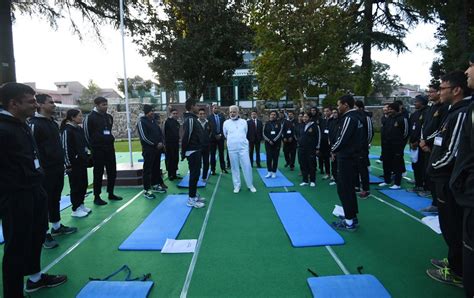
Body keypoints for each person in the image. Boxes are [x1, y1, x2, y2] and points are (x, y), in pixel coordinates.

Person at [0, 83, 67, 297]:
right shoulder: (3, 128)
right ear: (13, 103)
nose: (35, 105)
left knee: (35, 237)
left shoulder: (21, 124)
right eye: (30, 102)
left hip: (35, 191)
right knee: (16, 247)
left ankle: (35, 279)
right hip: (16, 197)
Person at [426, 71, 471, 287]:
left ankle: (458, 271)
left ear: (456, 90)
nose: (439, 92)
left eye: (443, 88)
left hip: (447, 179)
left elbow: (452, 152)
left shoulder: (462, 113)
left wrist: (434, 168)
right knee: (448, 225)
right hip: (442, 177)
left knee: (453, 226)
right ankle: (455, 261)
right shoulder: (452, 111)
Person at [29, 94, 77, 249]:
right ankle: (43, 234)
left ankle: (56, 227)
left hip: (57, 168)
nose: (54, 105)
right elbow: (32, 150)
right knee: (43, 202)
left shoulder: (52, 123)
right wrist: (38, 169)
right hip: (44, 171)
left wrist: (63, 163)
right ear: (41, 105)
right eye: (51, 102)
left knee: (55, 198)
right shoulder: (34, 124)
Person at [449, 53, 474, 297]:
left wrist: (455, 182)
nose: (468, 72)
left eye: (472, 67)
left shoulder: (465, 112)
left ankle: (457, 269)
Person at [331, 95, 363, 231]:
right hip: (352, 157)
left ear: (346, 105)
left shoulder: (349, 118)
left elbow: (342, 138)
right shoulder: (358, 117)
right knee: (348, 189)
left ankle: (349, 222)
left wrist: (332, 150)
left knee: (344, 189)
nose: (338, 107)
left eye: (339, 105)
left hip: (346, 158)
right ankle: (352, 217)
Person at [83, 96, 122, 205]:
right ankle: (97, 196)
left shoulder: (109, 117)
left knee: (112, 171)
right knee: (98, 173)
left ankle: (111, 193)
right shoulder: (89, 117)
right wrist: (92, 149)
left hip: (109, 148)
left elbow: (108, 130)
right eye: (103, 105)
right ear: (96, 105)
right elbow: (86, 134)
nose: (105, 107)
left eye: (106, 104)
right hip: (97, 150)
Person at [419, 83, 448, 212]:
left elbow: (441, 129)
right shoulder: (431, 107)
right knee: (429, 174)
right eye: (428, 91)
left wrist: (426, 141)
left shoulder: (444, 108)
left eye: (432, 91)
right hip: (425, 145)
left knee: (437, 175)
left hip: (434, 147)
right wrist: (422, 139)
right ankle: (434, 201)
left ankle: (437, 204)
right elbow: (424, 126)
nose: (429, 94)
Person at [61, 109, 92, 218]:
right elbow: (65, 148)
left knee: (83, 184)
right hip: (73, 164)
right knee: (75, 186)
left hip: (82, 162)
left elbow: (83, 144)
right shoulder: (67, 130)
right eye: (79, 116)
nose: (81, 117)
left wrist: (87, 154)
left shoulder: (79, 129)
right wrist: (68, 164)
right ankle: (75, 208)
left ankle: (81, 204)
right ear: (72, 117)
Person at [223, 105, 257, 193]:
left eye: (234, 112)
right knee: (234, 168)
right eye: (231, 112)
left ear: (238, 112)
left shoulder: (244, 122)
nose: (232, 113)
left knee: (247, 166)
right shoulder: (226, 123)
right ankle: (237, 186)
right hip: (232, 149)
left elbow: (245, 133)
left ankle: (250, 185)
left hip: (243, 148)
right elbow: (225, 134)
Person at [137, 105, 166, 200]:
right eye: (150, 111)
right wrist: (155, 144)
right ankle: (146, 190)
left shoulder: (153, 121)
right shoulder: (141, 122)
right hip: (149, 150)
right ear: (146, 112)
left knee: (156, 168)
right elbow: (144, 137)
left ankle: (155, 185)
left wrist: (161, 142)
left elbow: (159, 133)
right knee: (147, 170)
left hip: (157, 150)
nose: (152, 113)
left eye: (153, 111)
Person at [182, 99, 206, 208]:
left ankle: (193, 195)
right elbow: (186, 137)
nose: (198, 107)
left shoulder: (193, 119)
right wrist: (184, 152)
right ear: (192, 107)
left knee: (196, 175)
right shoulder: (190, 120)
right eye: (196, 105)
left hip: (196, 150)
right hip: (192, 151)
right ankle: (191, 199)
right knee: (194, 174)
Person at [379, 102, 408, 189]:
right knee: (386, 163)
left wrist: (400, 143)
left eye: (391, 109)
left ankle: (397, 183)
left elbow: (406, 133)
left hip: (397, 146)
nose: (389, 111)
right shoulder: (389, 118)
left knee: (397, 164)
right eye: (389, 109)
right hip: (386, 145)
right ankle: (387, 180)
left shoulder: (402, 119)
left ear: (395, 109)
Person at [408, 95, 429, 193]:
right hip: (413, 144)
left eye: (417, 101)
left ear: (422, 102)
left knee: (422, 165)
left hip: (421, 144)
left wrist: (418, 141)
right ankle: (418, 183)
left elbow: (426, 129)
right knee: (415, 164)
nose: (415, 103)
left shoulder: (427, 112)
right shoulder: (414, 114)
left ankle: (424, 185)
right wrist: (411, 141)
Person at [354, 100, 374, 198]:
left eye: (355, 107)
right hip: (354, 148)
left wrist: (366, 143)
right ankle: (357, 186)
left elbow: (370, 132)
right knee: (355, 168)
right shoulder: (354, 117)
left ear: (360, 107)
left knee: (363, 169)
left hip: (362, 148)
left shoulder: (366, 117)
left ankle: (366, 189)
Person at [297, 112, 320, 187]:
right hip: (301, 148)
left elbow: (318, 137)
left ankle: (313, 180)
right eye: (303, 117)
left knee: (311, 165)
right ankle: (305, 180)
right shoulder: (302, 125)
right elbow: (299, 135)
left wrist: (317, 147)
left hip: (311, 149)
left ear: (310, 118)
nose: (304, 118)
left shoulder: (315, 126)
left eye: (306, 117)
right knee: (303, 164)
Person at [208, 104, 228, 175]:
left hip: (221, 138)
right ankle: (213, 169)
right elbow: (209, 128)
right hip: (212, 139)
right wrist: (215, 135)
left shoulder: (222, 117)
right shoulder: (209, 117)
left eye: (217, 108)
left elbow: (224, 127)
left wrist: (220, 134)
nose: (216, 109)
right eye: (215, 108)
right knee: (212, 154)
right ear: (212, 109)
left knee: (221, 153)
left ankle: (223, 168)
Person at [263, 111, 283, 178]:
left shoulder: (279, 123)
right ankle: (269, 172)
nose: (272, 116)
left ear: (276, 116)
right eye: (271, 114)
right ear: (269, 115)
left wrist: (274, 140)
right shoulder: (266, 123)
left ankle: (274, 172)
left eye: (274, 115)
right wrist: (269, 140)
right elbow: (263, 133)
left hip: (276, 143)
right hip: (268, 143)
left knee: (275, 158)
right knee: (269, 158)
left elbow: (280, 133)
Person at [164, 108, 181, 180]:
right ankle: (170, 174)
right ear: (171, 114)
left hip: (176, 144)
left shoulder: (177, 123)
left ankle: (174, 174)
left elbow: (176, 133)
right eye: (174, 113)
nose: (175, 115)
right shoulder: (167, 122)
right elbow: (164, 133)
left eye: (176, 113)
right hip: (168, 144)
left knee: (176, 158)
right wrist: (164, 144)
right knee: (169, 159)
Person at [198, 108, 211, 181]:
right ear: (198, 115)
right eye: (200, 114)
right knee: (198, 163)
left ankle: (204, 176)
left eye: (203, 114)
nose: (202, 115)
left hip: (206, 146)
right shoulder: (196, 123)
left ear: (205, 114)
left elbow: (210, 132)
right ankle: (197, 174)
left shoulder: (208, 122)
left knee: (206, 162)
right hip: (198, 146)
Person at [318, 107, 332, 179]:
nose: (326, 113)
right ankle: (327, 173)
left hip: (332, 143)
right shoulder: (322, 121)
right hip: (323, 143)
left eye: (327, 111)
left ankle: (334, 174)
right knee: (325, 158)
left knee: (333, 159)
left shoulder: (333, 120)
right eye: (325, 111)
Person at [327, 109, 339, 185]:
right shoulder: (330, 121)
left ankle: (339, 178)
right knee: (333, 161)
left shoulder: (341, 121)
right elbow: (329, 132)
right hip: (332, 144)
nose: (334, 114)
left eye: (336, 112)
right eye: (333, 112)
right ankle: (334, 178)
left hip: (338, 145)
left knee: (339, 163)